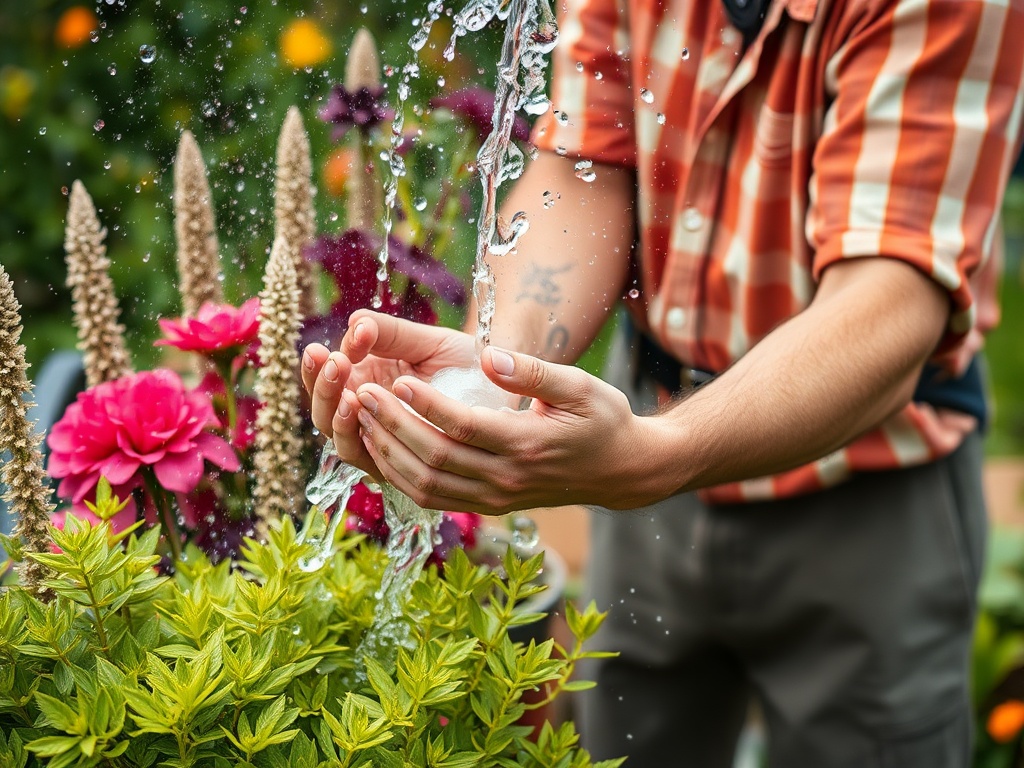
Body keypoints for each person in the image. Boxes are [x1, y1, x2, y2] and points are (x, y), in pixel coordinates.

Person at [301, 0, 1024, 765]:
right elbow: (584, 172)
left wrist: (656, 455)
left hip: (867, 500)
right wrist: (488, 378)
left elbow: (891, 293)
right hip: (645, 444)